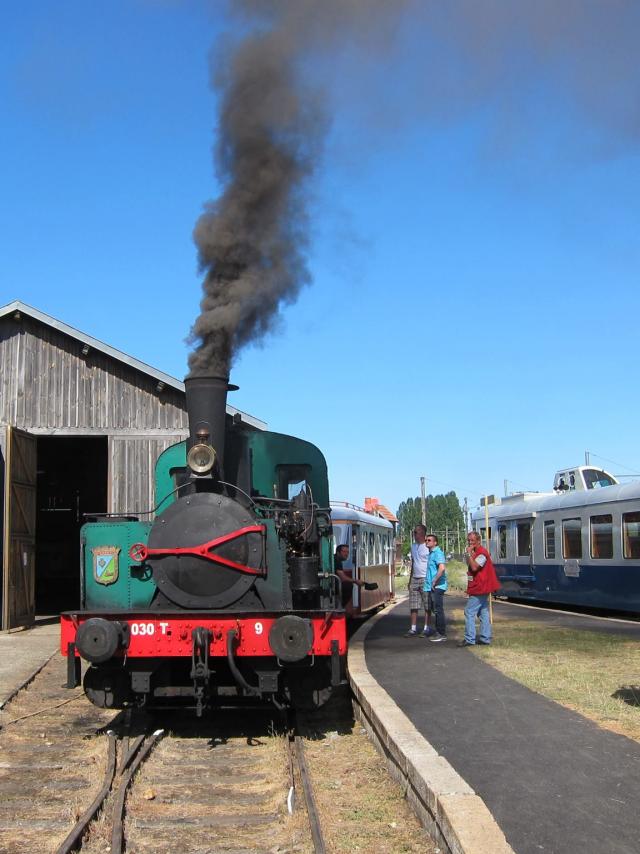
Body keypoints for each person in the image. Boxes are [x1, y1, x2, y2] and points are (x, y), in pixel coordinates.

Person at [458, 531, 501, 647]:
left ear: (478, 541)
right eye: (468, 540)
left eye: (472, 540)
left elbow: (474, 567)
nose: (470, 542)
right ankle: (485, 638)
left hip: (481, 587)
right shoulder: (476, 552)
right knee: (483, 612)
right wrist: (470, 554)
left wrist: (469, 554)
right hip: (478, 586)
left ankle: (469, 639)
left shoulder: (482, 553)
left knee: (469, 611)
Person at [405, 524, 430, 636]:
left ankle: (426, 628)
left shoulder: (428, 547)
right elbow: (413, 563)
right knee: (413, 605)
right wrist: (410, 579)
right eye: (414, 532)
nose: (414, 534)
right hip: (415, 578)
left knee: (427, 605)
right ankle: (413, 628)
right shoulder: (413, 546)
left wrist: (432, 580)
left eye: (416, 532)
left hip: (426, 578)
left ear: (422, 533)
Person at [334, 544, 373, 616]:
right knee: (347, 586)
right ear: (338, 552)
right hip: (331, 585)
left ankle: (341, 608)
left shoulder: (337, 560)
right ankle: (341, 609)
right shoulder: (336, 560)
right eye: (344, 552)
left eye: (348, 552)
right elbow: (342, 577)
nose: (346, 554)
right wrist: (356, 581)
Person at [424, 534, 447, 642]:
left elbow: (442, 568)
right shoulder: (431, 553)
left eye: (429, 540)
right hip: (432, 586)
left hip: (437, 586)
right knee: (434, 609)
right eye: (426, 540)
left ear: (435, 542)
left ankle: (441, 633)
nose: (426, 542)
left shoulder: (438, 553)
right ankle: (439, 631)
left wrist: (435, 580)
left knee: (438, 609)